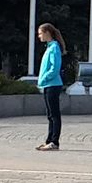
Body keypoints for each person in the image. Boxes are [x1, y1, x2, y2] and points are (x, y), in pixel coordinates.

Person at [35, 21, 65, 150]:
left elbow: (55, 68)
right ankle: (49, 140)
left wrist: (44, 78)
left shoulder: (54, 48)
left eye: (40, 33)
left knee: (54, 115)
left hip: (53, 84)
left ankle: (54, 142)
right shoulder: (49, 47)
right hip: (48, 85)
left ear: (47, 33)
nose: (39, 36)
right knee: (50, 115)